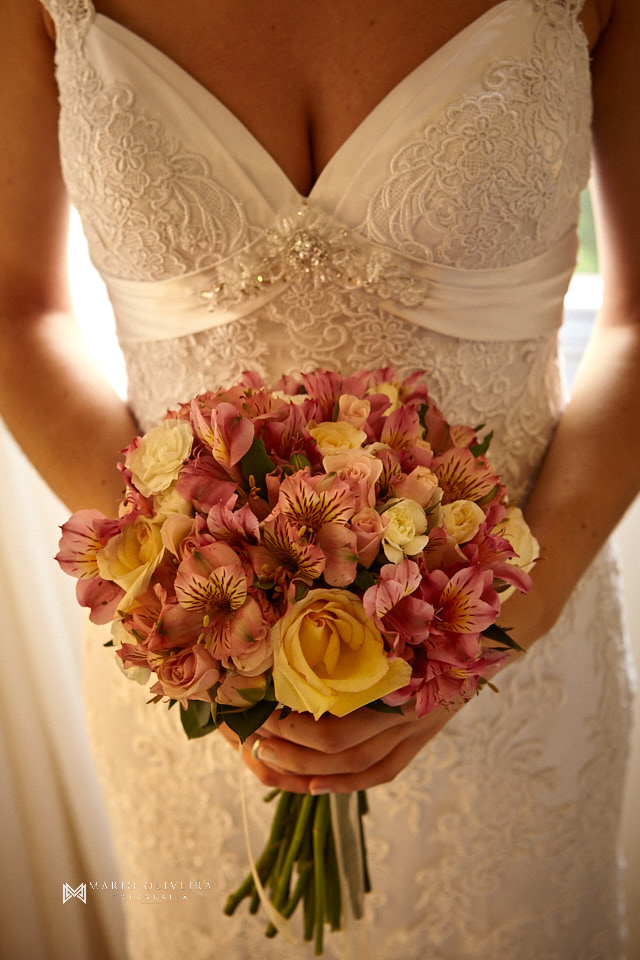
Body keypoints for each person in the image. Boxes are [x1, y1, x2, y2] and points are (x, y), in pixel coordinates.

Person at [0, 0, 637, 957]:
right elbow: (16, 305)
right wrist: (176, 589)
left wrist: (492, 635)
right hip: (199, 662)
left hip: (515, 645)